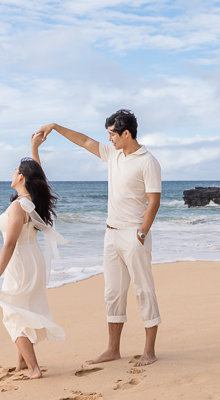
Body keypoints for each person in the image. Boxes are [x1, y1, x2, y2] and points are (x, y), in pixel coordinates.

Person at [37, 109, 161, 367]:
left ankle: (149, 351)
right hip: (111, 234)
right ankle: (113, 349)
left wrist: (141, 233)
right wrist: (56, 127)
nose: (110, 139)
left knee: (143, 291)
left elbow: (154, 201)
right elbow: (84, 142)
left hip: (134, 236)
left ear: (126, 133)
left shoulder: (148, 161)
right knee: (113, 293)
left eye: (112, 134)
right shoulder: (113, 154)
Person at [0, 132, 67, 379]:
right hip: (34, 260)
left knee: (13, 314)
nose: (12, 174)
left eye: (15, 171)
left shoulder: (18, 207)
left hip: (19, 262)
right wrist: (34, 148)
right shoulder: (34, 203)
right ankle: (21, 363)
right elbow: (39, 176)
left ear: (21, 177)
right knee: (21, 309)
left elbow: (9, 244)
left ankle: (33, 369)